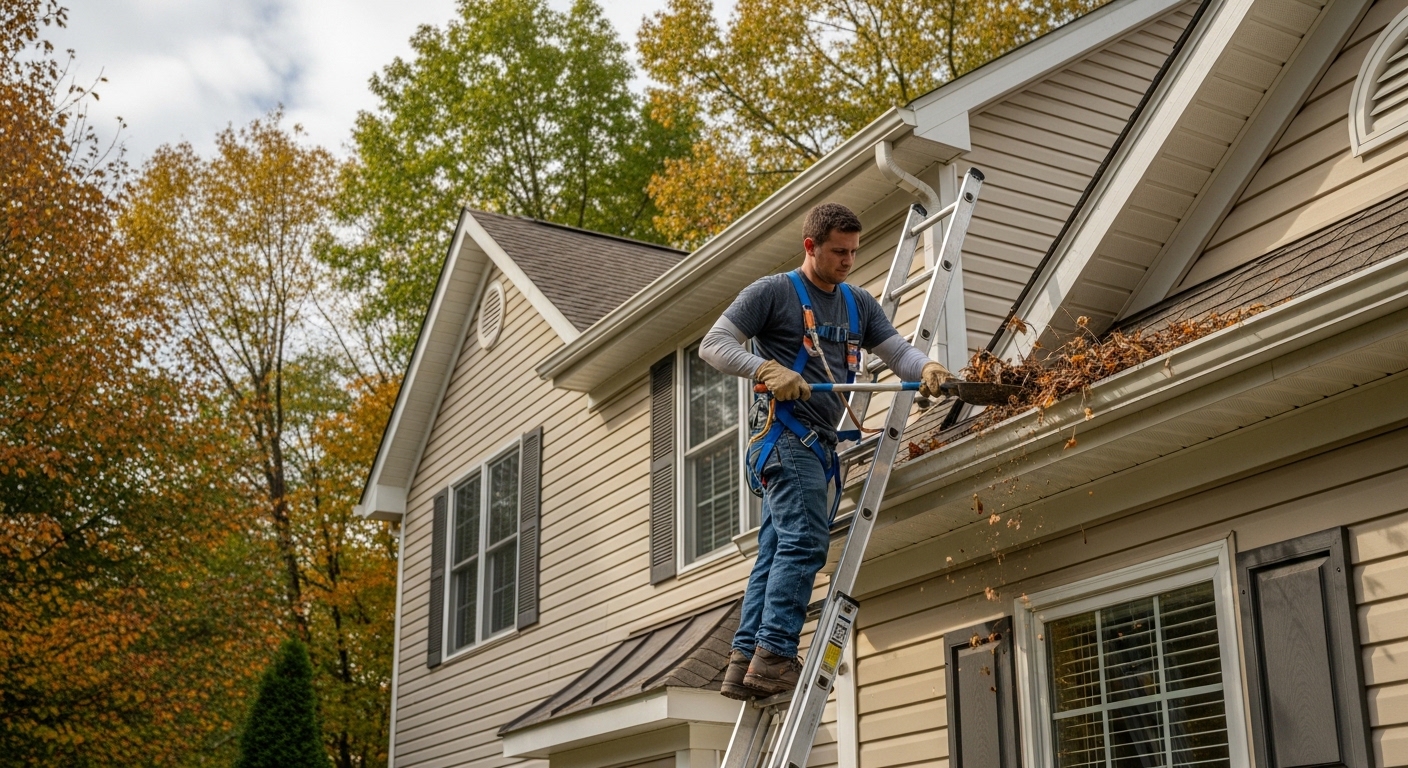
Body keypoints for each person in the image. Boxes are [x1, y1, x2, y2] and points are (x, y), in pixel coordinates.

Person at [699, 202, 954, 699]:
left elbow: (897, 352)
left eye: (855, 251)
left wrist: (925, 368)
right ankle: (774, 656)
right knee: (805, 544)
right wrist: (765, 369)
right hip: (783, 437)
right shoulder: (773, 293)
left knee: (775, 554)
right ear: (810, 246)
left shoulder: (858, 302)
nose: (849, 261)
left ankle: (746, 660)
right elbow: (715, 343)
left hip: (816, 445)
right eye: (839, 251)